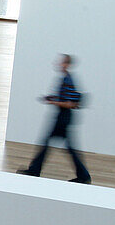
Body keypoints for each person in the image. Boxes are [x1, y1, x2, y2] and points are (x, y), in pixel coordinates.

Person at [17, 54, 91, 184]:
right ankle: (83, 176)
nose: (60, 64)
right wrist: (52, 98)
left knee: (54, 145)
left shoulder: (68, 80)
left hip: (64, 117)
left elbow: (70, 104)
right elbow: (65, 99)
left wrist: (54, 103)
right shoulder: (64, 79)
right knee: (60, 146)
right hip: (62, 116)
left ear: (68, 65)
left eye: (63, 63)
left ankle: (34, 171)